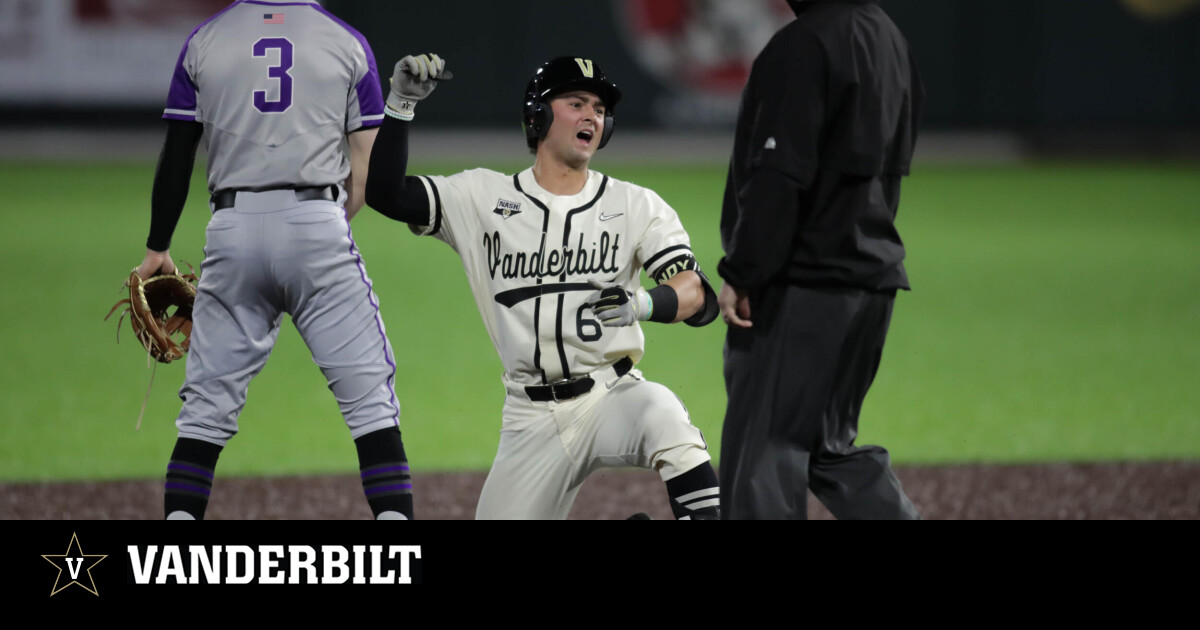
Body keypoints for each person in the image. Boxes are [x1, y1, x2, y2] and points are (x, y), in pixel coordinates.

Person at [365, 54, 722, 520]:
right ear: (537, 116)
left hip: (610, 396)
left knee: (663, 414)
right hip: (528, 417)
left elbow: (697, 292)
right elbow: (385, 195)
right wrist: (400, 105)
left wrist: (645, 303)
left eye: (598, 107)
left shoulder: (636, 205)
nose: (591, 115)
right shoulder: (481, 198)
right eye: (576, 102)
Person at [139, 0, 413, 520]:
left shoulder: (205, 40)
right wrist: (314, 228)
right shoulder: (347, 42)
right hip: (315, 222)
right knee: (371, 406)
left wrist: (158, 247)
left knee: (203, 416)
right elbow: (367, 174)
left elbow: (177, 151)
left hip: (231, 229)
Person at [717, 0, 924, 520]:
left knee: (762, 456)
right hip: (871, 278)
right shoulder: (889, 40)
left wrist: (744, 272)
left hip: (805, 285)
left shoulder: (803, 44)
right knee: (828, 450)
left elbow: (779, 175)